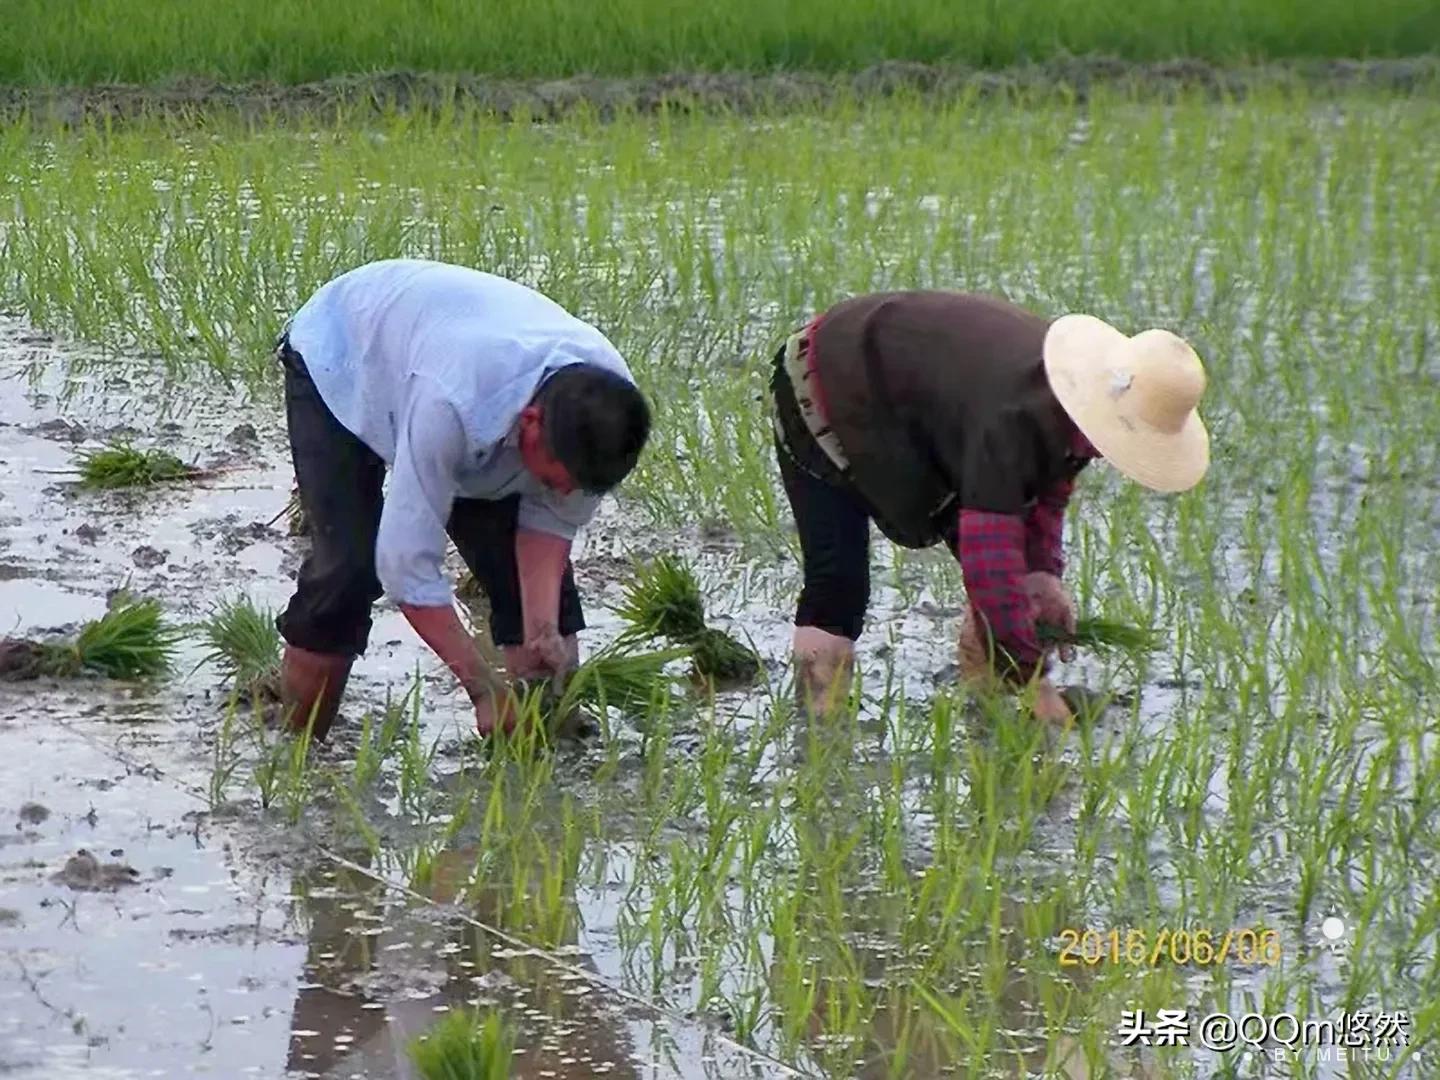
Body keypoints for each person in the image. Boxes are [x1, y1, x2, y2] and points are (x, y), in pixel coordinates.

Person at [768, 289, 1210, 724]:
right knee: (838, 581)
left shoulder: (1071, 398)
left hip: (909, 401)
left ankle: (984, 710)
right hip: (827, 378)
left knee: (1010, 577)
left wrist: (1042, 575)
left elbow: (1047, 489)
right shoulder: (1015, 417)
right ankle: (819, 731)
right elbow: (989, 557)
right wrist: (1033, 677)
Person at [271, 258, 652, 740]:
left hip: (446, 353)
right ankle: (298, 756)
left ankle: (537, 757)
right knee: (346, 572)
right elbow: (406, 568)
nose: (563, 494)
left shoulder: (607, 414)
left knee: (534, 595)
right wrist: (482, 688)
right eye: (557, 479)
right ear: (531, 424)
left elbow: (550, 522)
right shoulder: (453, 404)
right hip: (345, 350)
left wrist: (542, 629)